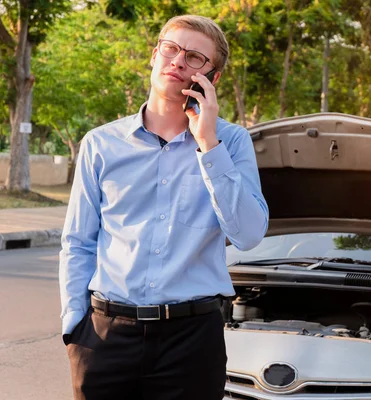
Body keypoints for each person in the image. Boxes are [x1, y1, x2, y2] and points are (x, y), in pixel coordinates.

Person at [59, 15, 269, 400]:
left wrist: (208, 143)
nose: (177, 61)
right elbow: (78, 242)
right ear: (155, 55)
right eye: (171, 49)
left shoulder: (232, 142)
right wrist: (75, 328)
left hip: (191, 341)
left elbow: (249, 234)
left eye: (193, 57)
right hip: (105, 337)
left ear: (212, 79)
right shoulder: (100, 144)